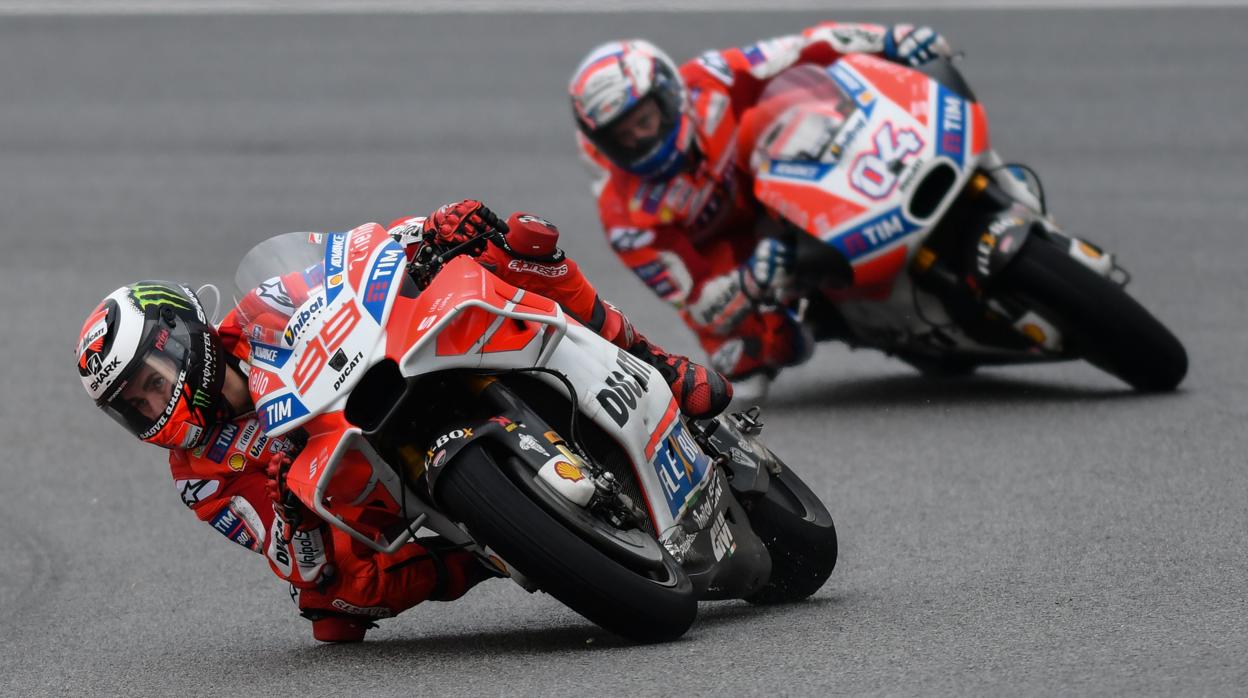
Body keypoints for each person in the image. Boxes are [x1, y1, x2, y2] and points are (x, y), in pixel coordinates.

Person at [75, 200, 731, 643]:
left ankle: (657, 363)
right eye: (132, 407)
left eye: (150, 385)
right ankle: (484, 551)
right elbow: (291, 560)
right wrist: (296, 526)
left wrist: (429, 231)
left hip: (392, 367)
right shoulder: (203, 474)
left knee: (513, 245)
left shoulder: (259, 310)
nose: (151, 407)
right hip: (373, 498)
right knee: (331, 611)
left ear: (183, 341)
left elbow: (352, 260)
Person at [569, 23, 954, 391]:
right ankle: (832, 316)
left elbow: (801, 50)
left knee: (793, 105)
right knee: (740, 355)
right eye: (623, 136)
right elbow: (696, 303)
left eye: (644, 121)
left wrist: (889, 41)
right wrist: (751, 279)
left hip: (779, 179)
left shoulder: (711, 78)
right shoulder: (625, 217)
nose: (640, 139)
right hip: (733, 257)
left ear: (668, 96)